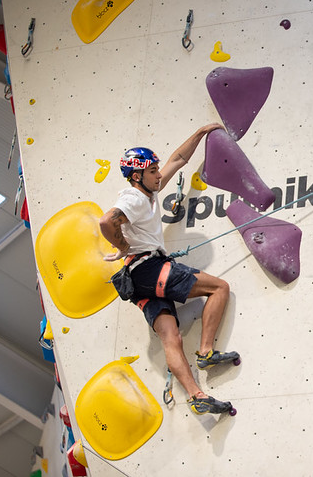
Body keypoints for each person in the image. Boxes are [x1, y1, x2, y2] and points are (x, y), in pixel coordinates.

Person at [99, 124, 237, 415]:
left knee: (171, 338)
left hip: (137, 282)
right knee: (219, 288)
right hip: (148, 268)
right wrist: (122, 245)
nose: (159, 175)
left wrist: (201, 133)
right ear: (137, 176)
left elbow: (178, 159)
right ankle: (206, 352)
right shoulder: (135, 198)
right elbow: (106, 222)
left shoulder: (147, 193)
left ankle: (197, 396)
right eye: (153, 171)